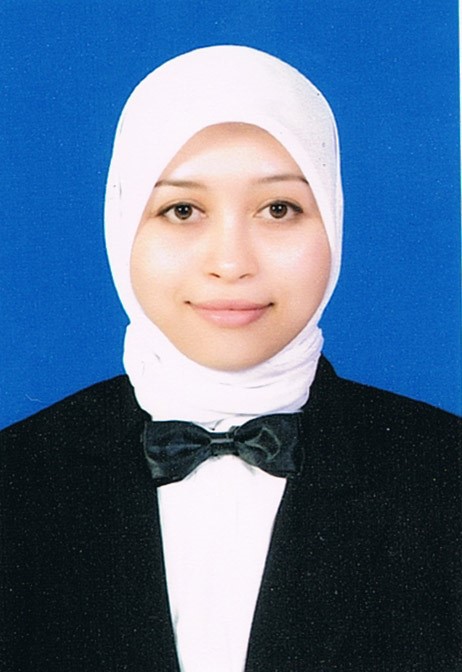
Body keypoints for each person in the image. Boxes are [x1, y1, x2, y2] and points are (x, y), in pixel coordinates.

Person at [1, 45, 460, 672]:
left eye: (279, 209)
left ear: (333, 218)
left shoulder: (444, 472)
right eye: (182, 210)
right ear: (121, 223)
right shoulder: (17, 478)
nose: (231, 262)